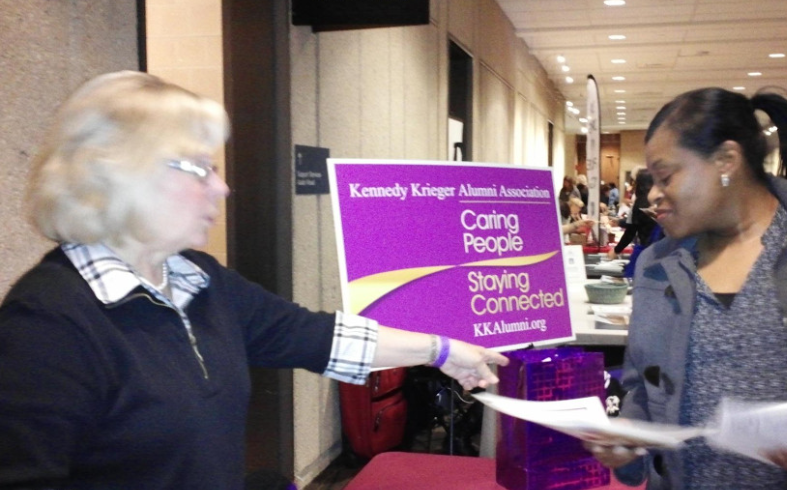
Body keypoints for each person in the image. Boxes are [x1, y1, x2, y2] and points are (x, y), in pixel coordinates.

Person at [0, 71, 509, 490]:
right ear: (120, 173)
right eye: (200, 167)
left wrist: (444, 351)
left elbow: (317, 336)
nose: (222, 187)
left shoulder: (197, 280)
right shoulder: (48, 323)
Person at [586, 87, 787, 489]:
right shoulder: (657, 266)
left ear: (726, 161)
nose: (652, 194)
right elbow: (642, 390)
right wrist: (628, 437)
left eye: (666, 176)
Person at [606, 169, 657, 261]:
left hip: (647, 249)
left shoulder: (640, 202)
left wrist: (616, 250)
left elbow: (631, 231)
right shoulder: (661, 200)